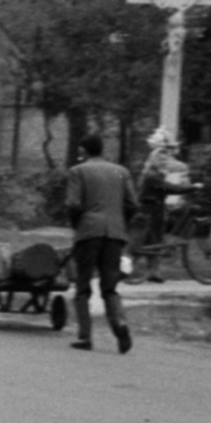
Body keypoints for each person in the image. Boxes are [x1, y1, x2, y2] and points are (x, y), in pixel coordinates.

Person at [66, 132, 137, 354]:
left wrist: (78, 225)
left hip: (89, 232)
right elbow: (133, 204)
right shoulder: (121, 172)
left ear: (83, 150)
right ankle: (120, 325)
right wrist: (120, 222)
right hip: (115, 234)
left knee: (83, 285)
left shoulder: (78, 171)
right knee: (110, 286)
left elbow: (73, 204)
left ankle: (85, 336)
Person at [134, 127, 191, 283]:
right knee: (153, 237)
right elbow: (173, 182)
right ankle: (149, 269)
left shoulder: (150, 163)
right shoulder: (164, 161)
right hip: (157, 204)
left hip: (152, 203)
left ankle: (152, 270)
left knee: (151, 237)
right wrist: (189, 187)